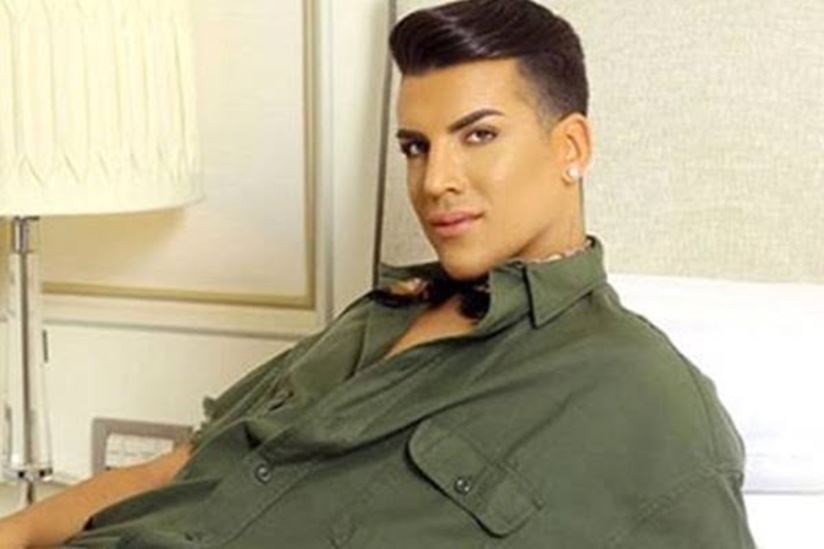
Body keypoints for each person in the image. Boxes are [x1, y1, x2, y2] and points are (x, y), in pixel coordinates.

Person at [0, 0, 756, 546]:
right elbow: (186, 465)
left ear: (572, 147)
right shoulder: (383, 311)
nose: (435, 181)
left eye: (478, 136)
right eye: (416, 147)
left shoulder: (641, 393)